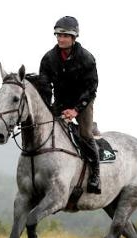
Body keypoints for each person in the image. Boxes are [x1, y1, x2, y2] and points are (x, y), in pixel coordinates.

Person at [39, 16, 101, 194]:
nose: (60, 39)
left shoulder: (87, 58)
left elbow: (91, 88)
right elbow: (45, 85)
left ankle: (95, 175)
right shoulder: (48, 58)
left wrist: (76, 110)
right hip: (60, 101)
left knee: (85, 134)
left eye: (65, 35)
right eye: (58, 35)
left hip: (83, 102)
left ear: (74, 38)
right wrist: (47, 107)